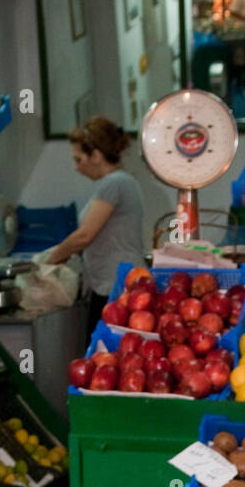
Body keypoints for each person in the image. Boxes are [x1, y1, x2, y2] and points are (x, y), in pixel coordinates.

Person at [47, 117, 145, 334]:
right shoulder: (117, 183)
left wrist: (50, 260)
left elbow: (84, 236)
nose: (77, 168)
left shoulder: (115, 183)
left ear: (96, 156)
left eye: (79, 159)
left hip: (115, 288)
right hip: (108, 285)